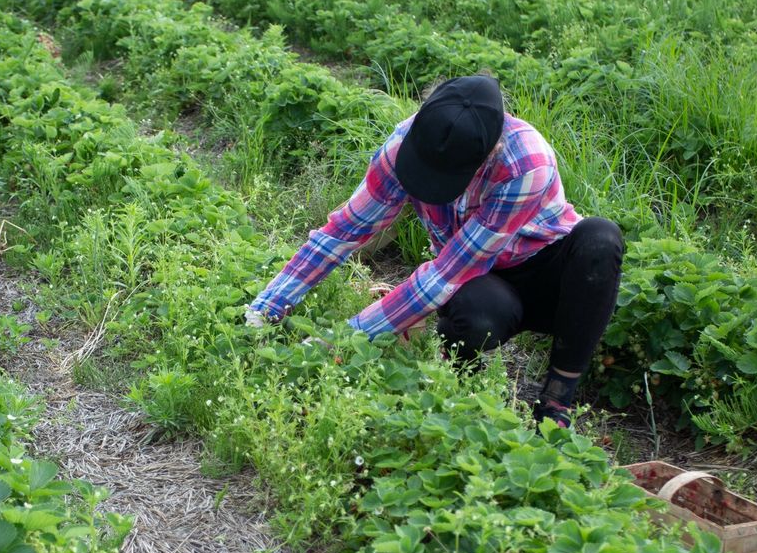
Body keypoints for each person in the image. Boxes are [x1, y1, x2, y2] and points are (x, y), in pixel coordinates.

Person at [245, 75, 624, 427]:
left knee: (600, 239)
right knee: (475, 316)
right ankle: (458, 385)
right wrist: (267, 308)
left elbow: (444, 275)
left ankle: (557, 400)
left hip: (545, 271)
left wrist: (337, 343)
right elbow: (345, 229)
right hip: (485, 279)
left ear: (489, 153)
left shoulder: (526, 164)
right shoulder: (407, 141)